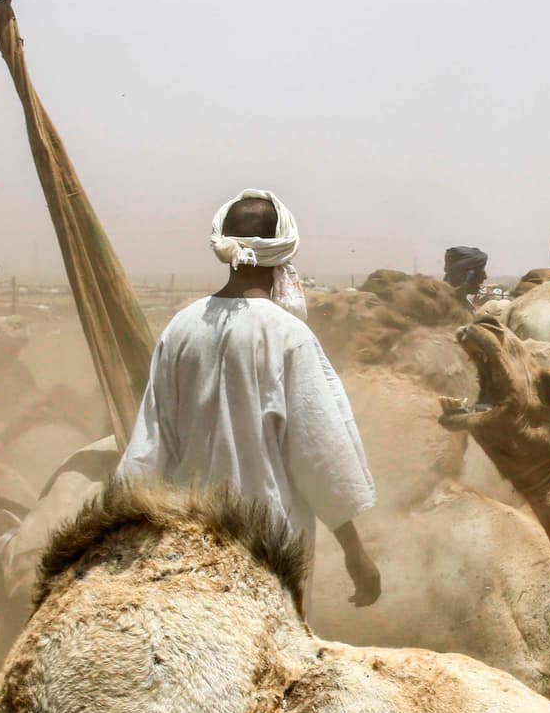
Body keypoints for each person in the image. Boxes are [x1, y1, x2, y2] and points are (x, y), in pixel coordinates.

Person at [117, 190, 380, 608]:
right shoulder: (289, 337)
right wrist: (355, 552)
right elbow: (321, 455)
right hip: (269, 553)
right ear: (283, 252)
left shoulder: (181, 327)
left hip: (188, 550)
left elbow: (151, 442)